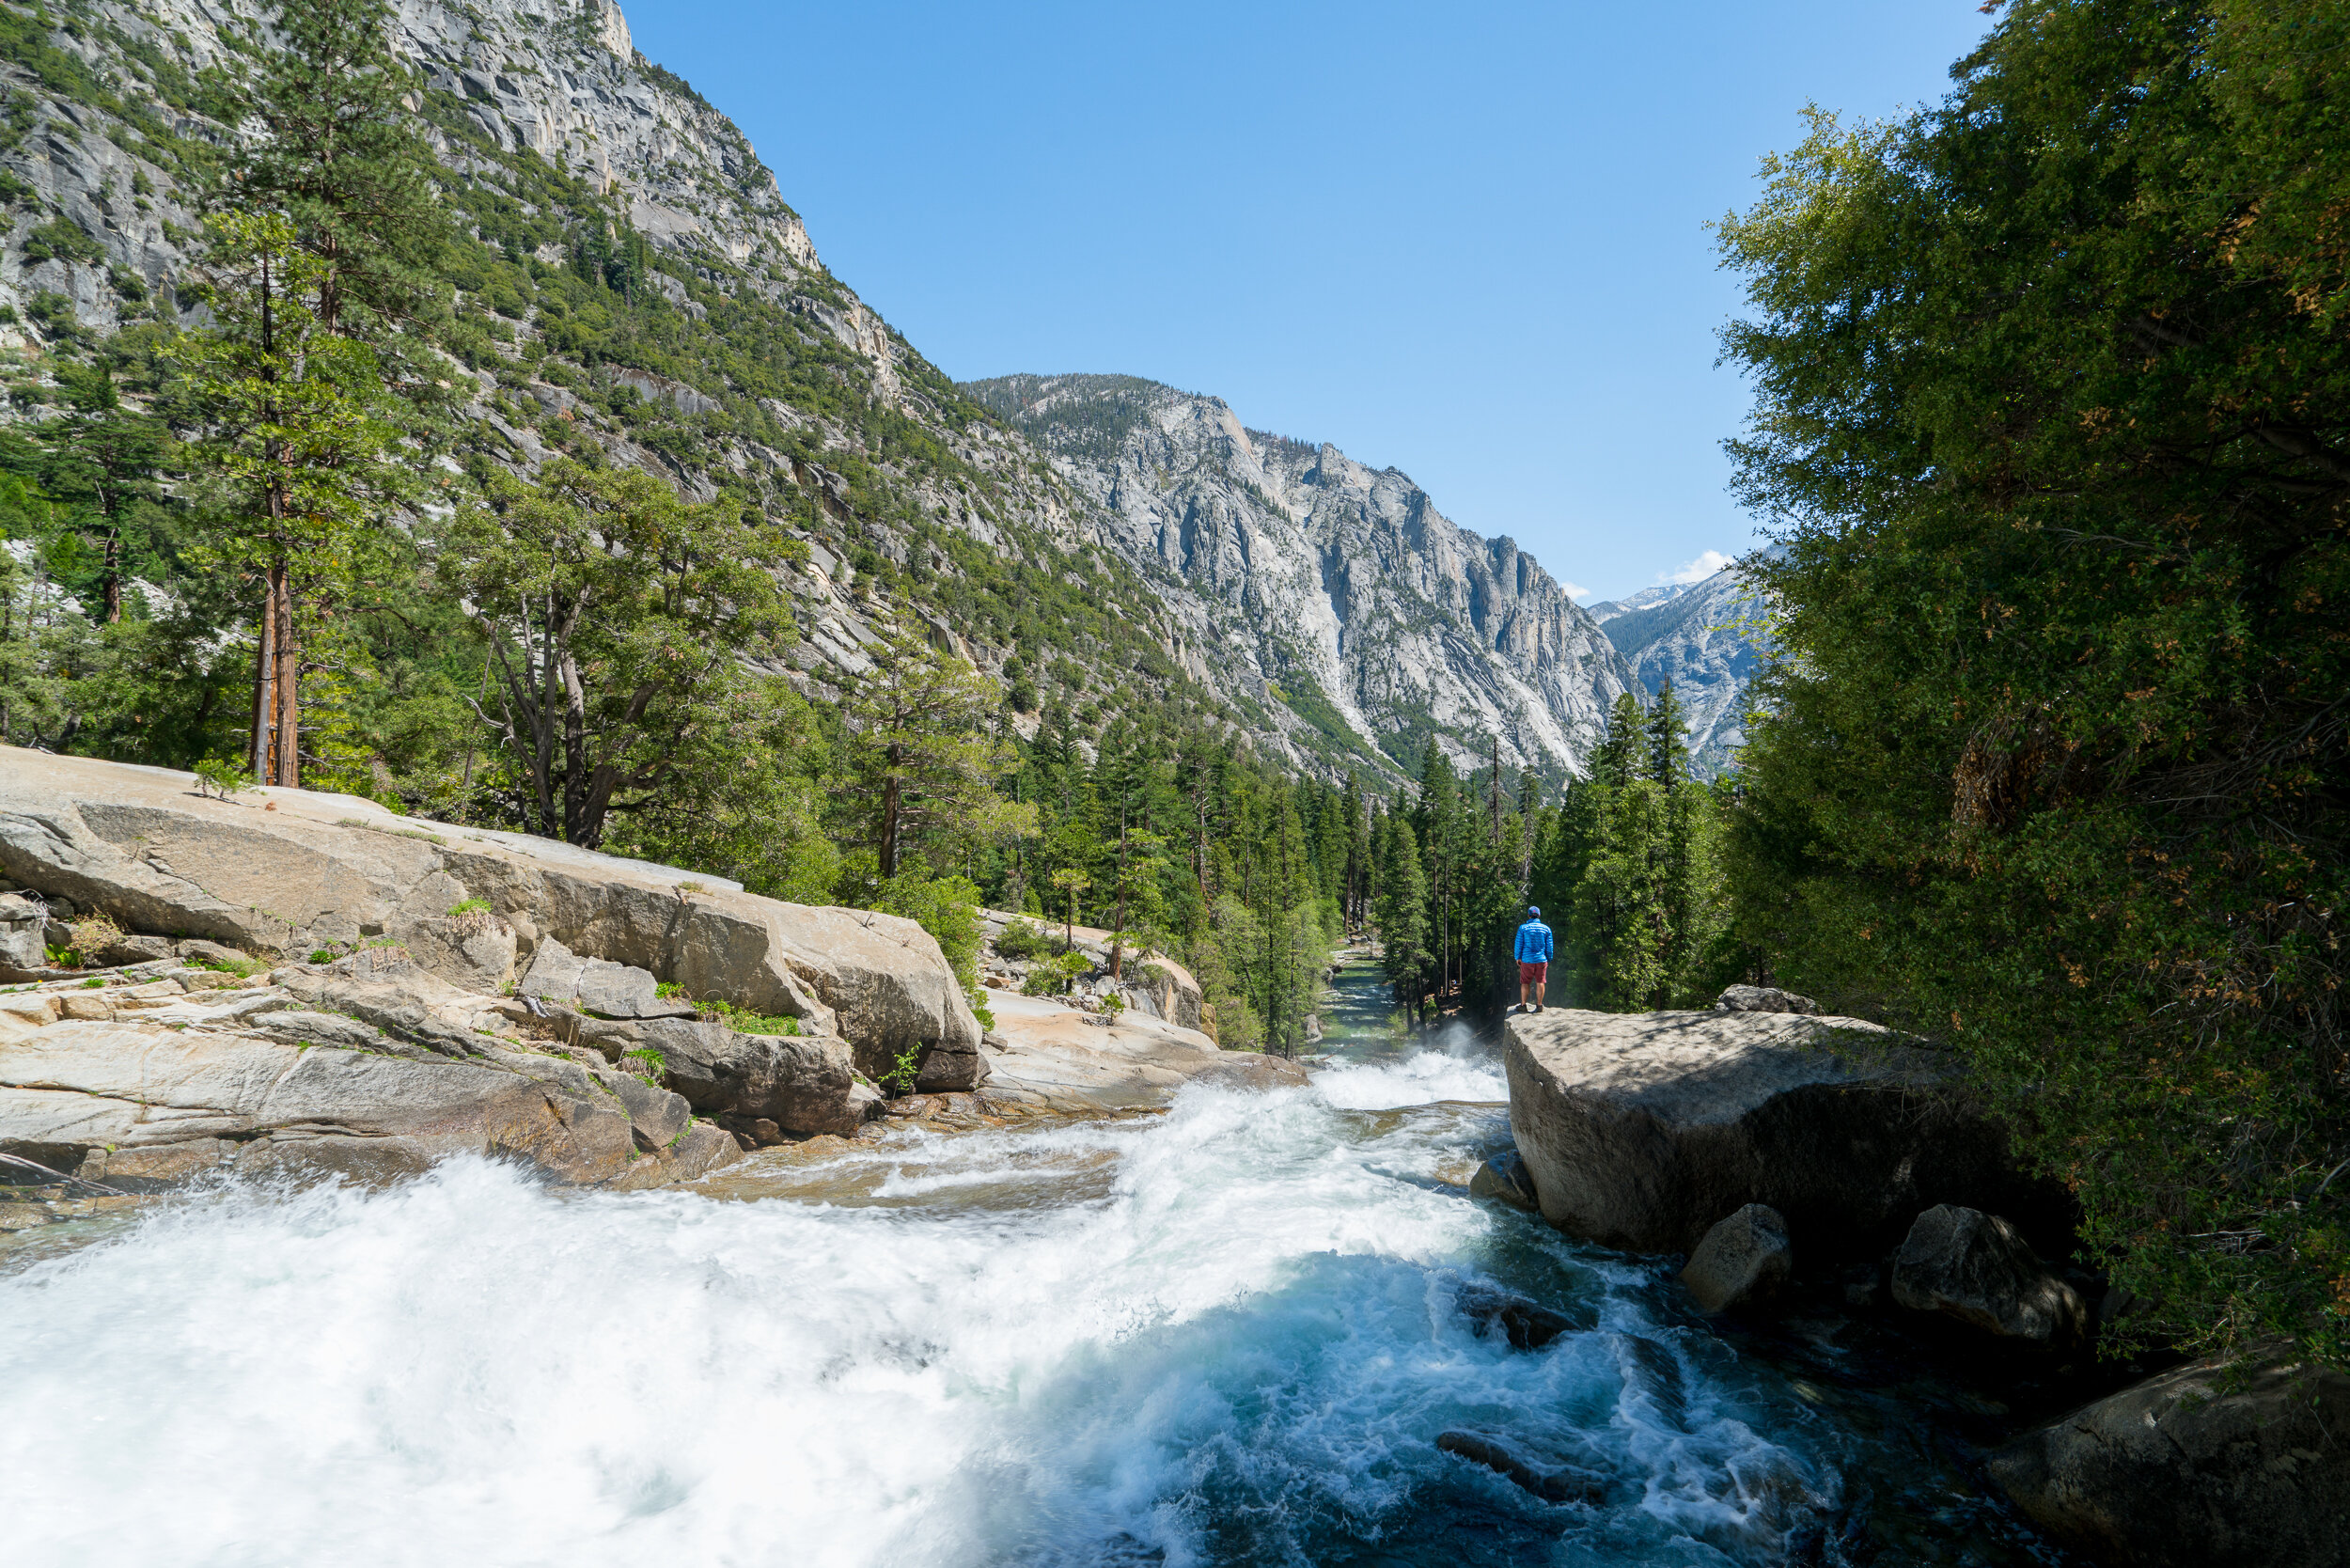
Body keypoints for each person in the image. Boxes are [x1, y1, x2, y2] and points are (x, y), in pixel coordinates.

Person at [1513, 905, 1553, 1013]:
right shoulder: (1546, 929)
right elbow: (1549, 946)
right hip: (1541, 960)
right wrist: (1548, 958)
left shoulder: (1523, 928)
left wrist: (1518, 957)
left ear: (1529, 915)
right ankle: (1539, 1006)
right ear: (1539, 915)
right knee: (1540, 981)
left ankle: (1523, 1005)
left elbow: (1518, 944)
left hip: (1527, 960)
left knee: (1525, 982)